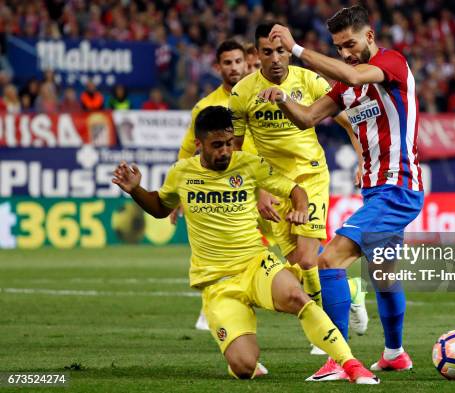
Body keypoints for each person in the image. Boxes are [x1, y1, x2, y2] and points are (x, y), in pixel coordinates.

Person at [111, 106, 378, 384]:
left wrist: (300, 208)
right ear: (199, 144)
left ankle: (350, 364)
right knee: (244, 368)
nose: (225, 151)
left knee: (297, 298)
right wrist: (136, 190)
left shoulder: (248, 164)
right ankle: (242, 354)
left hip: (255, 264)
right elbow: (159, 207)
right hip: (218, 282)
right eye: (217, 145)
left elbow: (295, 190)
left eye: (228, 143)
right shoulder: (181, 173)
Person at [260, 5, 424, 380]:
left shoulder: (391, 63)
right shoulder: (346, 90)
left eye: (350, 43)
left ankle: (339, 358)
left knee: (329, 261)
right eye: (339, 47)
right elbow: (306, 118)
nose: (346, 53)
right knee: (382, 273)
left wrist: (297, 50)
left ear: (369, 35)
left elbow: (351, 72)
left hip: (398, 188)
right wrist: (283, 99)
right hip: (375, 192)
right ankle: (395, 353)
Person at [229, 23, 369, 353]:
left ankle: (326, 330)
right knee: (297, 262)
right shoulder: (243, 93)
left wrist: (363, 160)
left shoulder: (309, 80)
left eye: (281, 50)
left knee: (307, 257)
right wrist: (258, 189)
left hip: (310, 176)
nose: (276, 58)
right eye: (267, 52)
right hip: (272, 184)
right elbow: (237, 150)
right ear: (257, 54)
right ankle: (348, 289)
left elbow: (349, 122)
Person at [174, 39, 257, 331]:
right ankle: (212, 305)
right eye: (228, 63)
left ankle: (341, 290)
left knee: (298, 251)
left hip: (262, 183)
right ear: (217, 67)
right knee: (217, 244)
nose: (234, 68)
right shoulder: (205, 106)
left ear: (246, 63)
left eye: (238, 62)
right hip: (223, 190)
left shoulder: (257, 94)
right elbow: (187, 152)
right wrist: (176, 195)